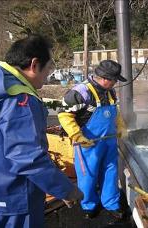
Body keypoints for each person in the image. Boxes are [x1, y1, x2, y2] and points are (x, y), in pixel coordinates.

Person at [0, 34, 83, 228]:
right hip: (13, 199)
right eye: (48, 69)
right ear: (33, 65)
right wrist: (65, 190)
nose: (48, 75)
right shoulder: (18, 97)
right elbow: (28, 158)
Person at [58, 60, 128, 219]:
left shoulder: (110, 92)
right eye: (115, 80)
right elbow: (64, 114)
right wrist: (77, 135)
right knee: (88, 175)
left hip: (109, 142)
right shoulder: (80, 92)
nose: (116, 83)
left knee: (111, 172)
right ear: (106, 78)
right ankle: (89, 204)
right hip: (87, 143)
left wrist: (121, 126)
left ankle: (111, 202)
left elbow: (114, 112)